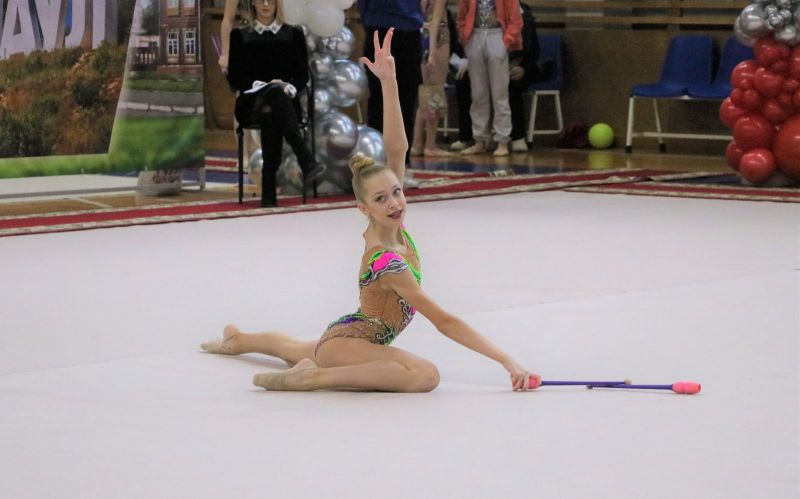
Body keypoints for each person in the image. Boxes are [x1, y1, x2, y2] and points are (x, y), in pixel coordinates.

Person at [201, 29, 539, 393]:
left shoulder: (395, 227)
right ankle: (313, 377)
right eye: (381, 199)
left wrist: (389, 82)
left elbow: (397, 148)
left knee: (291, 348)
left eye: (396, 192)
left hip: (351, 336)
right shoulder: (387, 261)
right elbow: (444, 321)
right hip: (349, 342)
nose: (394, 202)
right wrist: (507, 360)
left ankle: (238, 340)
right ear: (363, 207)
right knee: (425, 375)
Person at [226, 0, 325, 206]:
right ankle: (305, 159)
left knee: (273, 106)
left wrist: (286, 88)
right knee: (272, 98)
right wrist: (265, 86)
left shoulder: (294, 34)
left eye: (270, 0)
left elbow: (302, 75)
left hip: (285, 102)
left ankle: (269, 193)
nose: (265, 4)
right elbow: (235, 78)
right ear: (253, 3)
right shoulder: (239, 35)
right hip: (251, 103)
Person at [449, 2, 541, 153]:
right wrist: (465, 36)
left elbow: (516, 20)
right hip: (475, 36)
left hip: (497, 35)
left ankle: (502, 140)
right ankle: (480, 139)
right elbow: (462, 16)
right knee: (478, 94)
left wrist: (507, 41)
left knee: (500, 94)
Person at [357, 0, 423, 187]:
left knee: (407, 101)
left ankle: (402, 166)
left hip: (410, 28)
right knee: (379, 101)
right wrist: (369, 19)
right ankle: (376, 166)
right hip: (379, 24)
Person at [409, 0, 452, 158]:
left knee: (427, 94)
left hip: (424, 36)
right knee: (434, 93)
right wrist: (432, 53)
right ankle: (430, 145)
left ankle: (417, 143)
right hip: (437, 37)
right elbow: (434, 21)